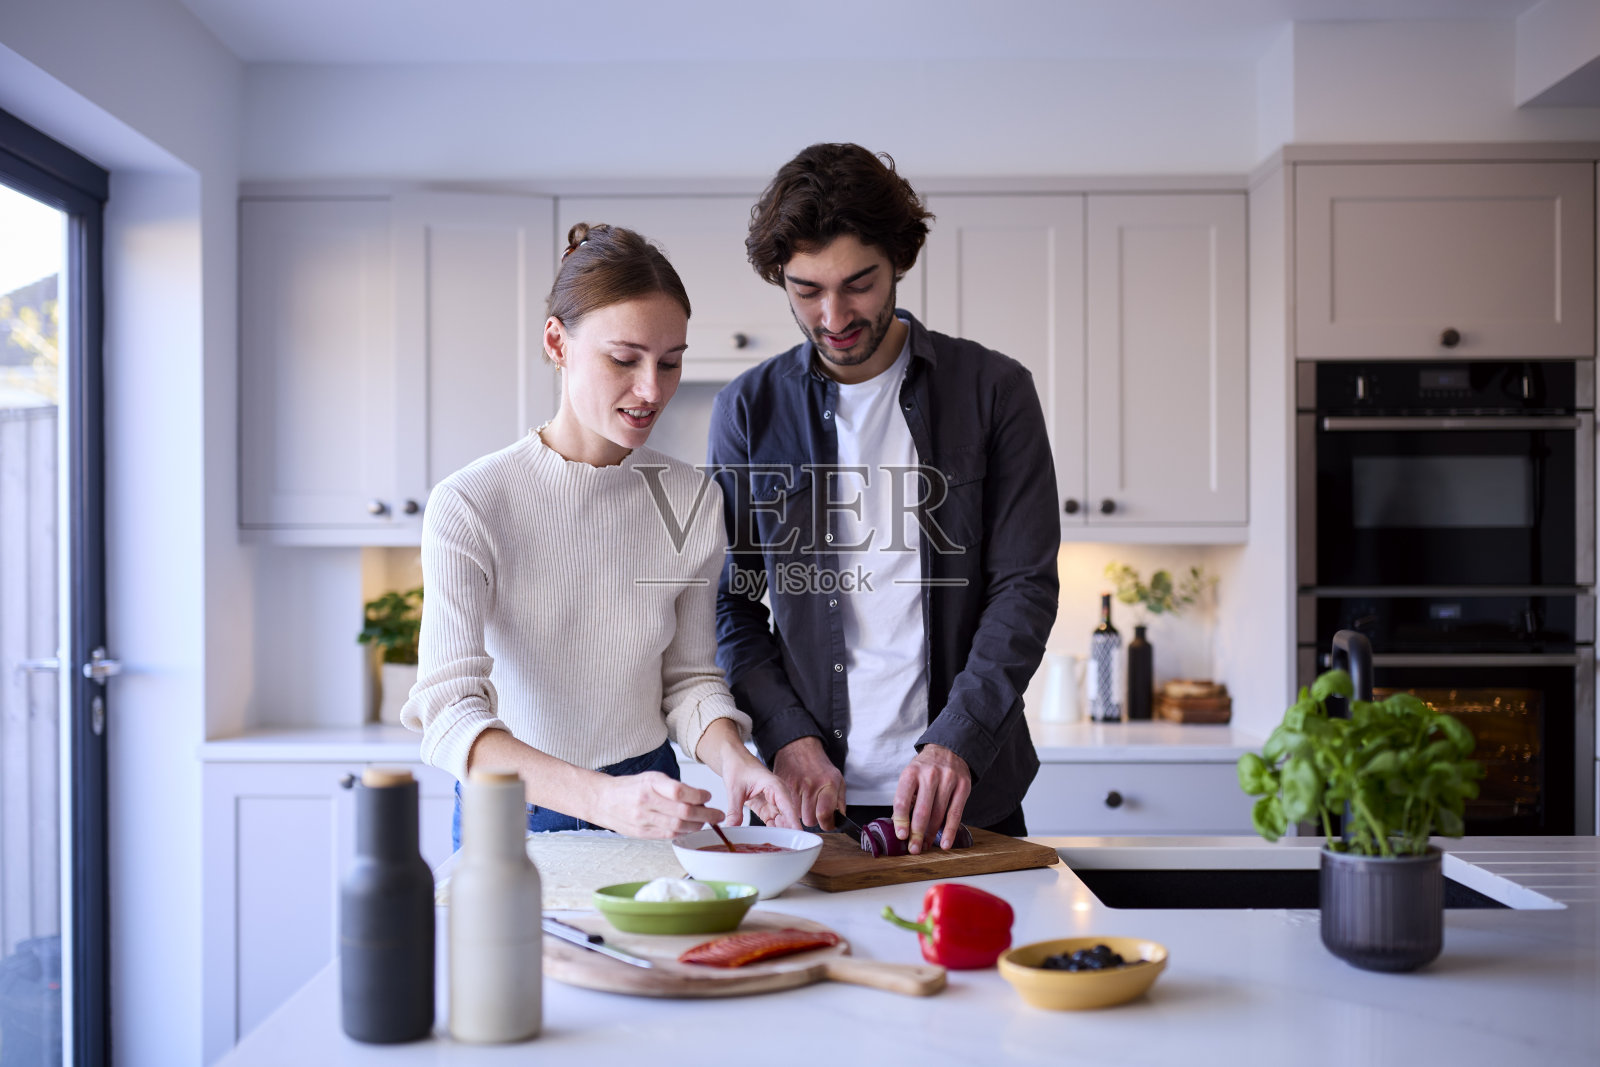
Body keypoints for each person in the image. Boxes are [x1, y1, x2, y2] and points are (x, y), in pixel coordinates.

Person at [709, 143, 1059, 855]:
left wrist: (956, 740)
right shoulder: (747, 410)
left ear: (898, 260)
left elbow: (1023, 587)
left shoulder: (994, 392)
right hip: (803, 805)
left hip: (968, 792)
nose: (834, 315)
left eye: (859, 283)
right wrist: (787, 733)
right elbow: (731, 603)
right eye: (806, 290)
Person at [405, 222, 799, 848]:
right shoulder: (471, 503)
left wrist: (737, 761)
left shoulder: (690, 498)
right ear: (557, 342)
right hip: (515, 812)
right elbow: (450, 717)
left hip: (653, 800)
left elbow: (691, 679)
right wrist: (601, 797)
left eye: (670, 363)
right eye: (624, 359)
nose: (651, 390)